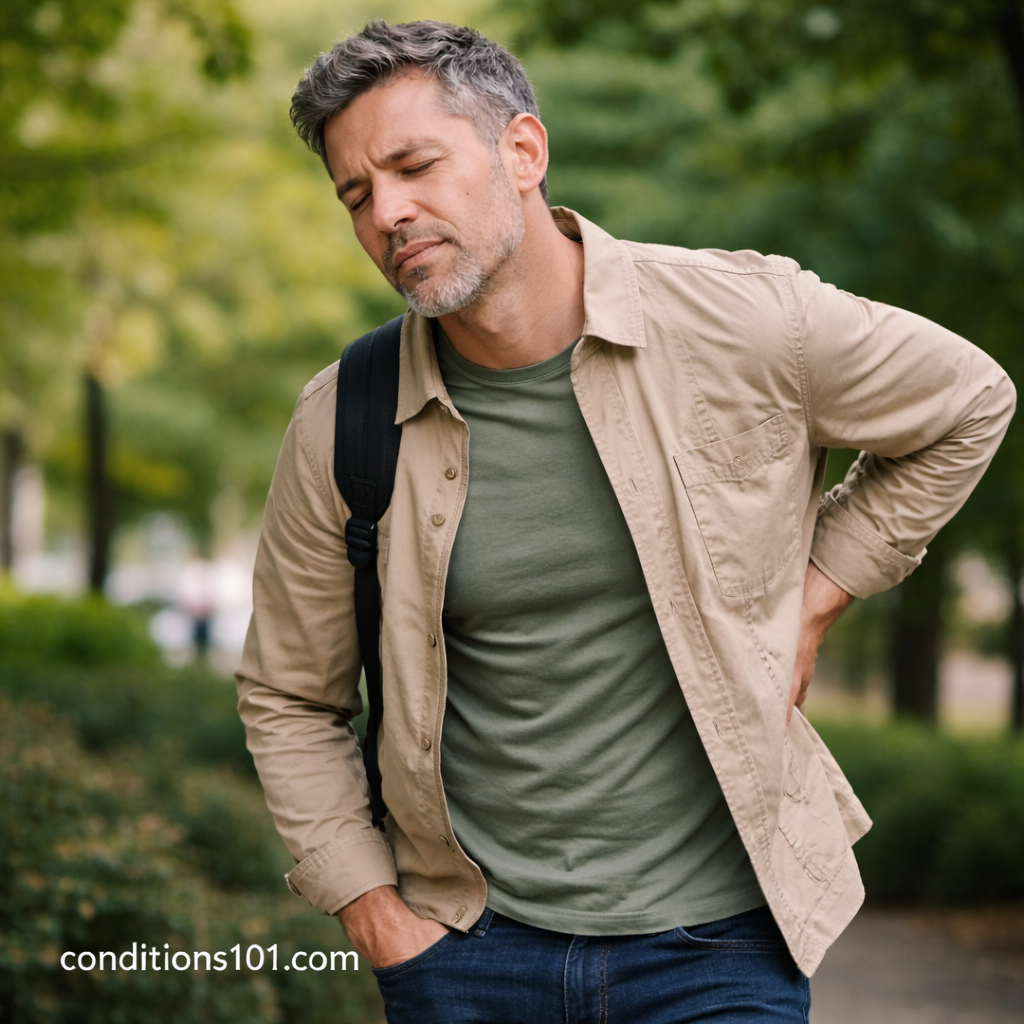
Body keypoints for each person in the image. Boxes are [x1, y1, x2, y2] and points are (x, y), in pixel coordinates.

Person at [236, 20, 1015, 1023]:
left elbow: (968, 401)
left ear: (522, 151)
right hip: (467, 955)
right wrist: (378, 918)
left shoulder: (740, 322)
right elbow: (290, 695)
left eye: (412, 165)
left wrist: (815, 598)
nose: (389, 210)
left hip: (718, 949)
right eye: (356, 193)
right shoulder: (344, 417)